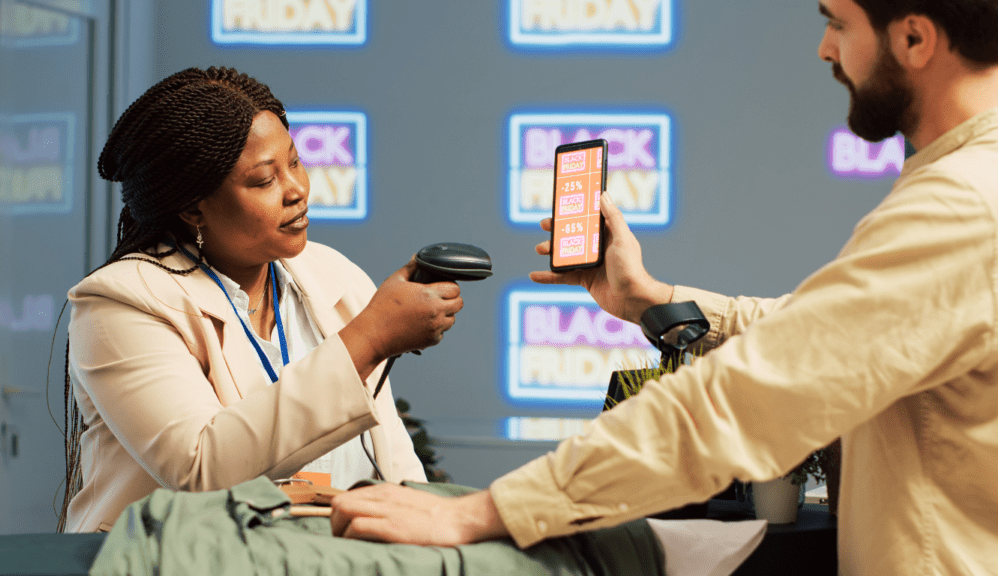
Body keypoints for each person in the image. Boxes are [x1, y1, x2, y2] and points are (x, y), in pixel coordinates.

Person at [329, 1, 998, 573]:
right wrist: (650, 300)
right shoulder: (967, 184)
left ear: (914, 38)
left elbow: (751, 394)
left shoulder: (959, 207)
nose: (826, 47)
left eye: (839, 22)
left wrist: (491, 510)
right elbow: (830, 334)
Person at [58, 66, 464, 533]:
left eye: (294, 162)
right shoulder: (120, 304)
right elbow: (202, 469)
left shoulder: (332, 272)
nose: (297, 191)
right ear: (194, 207)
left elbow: (389, 454)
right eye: (263, 180)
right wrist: (369, 339)